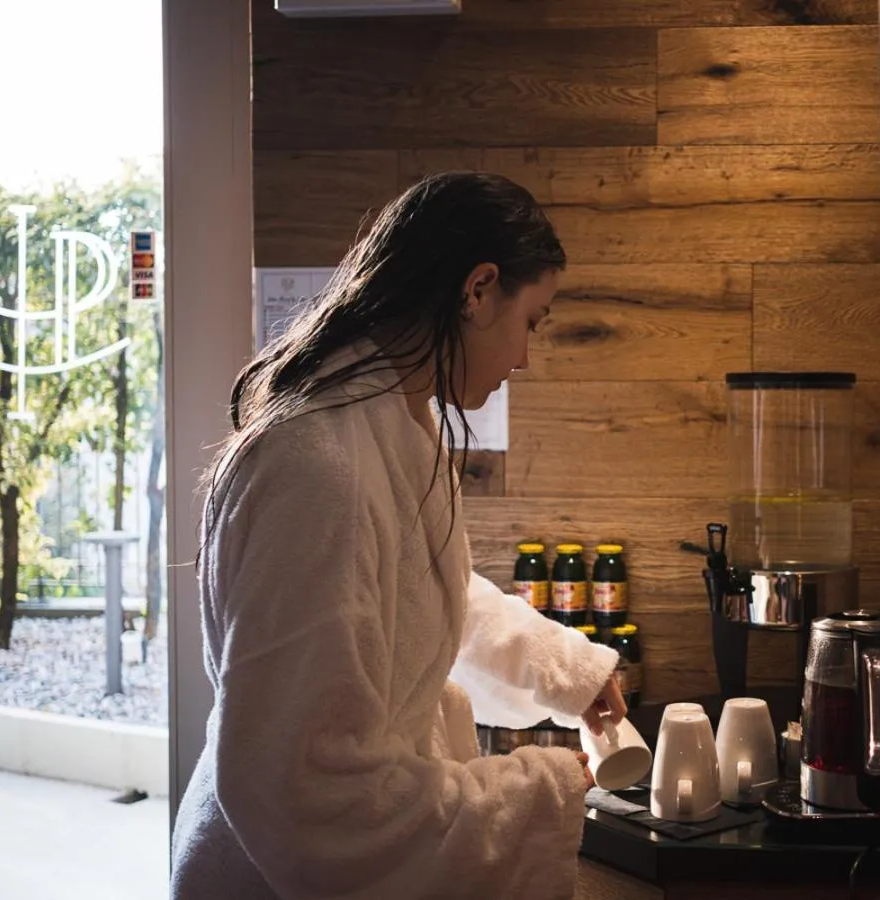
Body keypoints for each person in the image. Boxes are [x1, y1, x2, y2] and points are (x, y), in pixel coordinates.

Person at [170, 172, 626, 900]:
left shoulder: (387, 432)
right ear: (478, 290)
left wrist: (569, 671)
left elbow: (414, 599)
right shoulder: (317, 466)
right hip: (273, 875)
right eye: (532, 322)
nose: (524, 359)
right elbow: (307, 789)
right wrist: (546, 789)